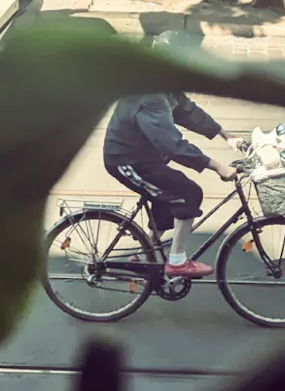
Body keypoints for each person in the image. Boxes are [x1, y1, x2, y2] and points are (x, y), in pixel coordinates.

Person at [103, 31, 240, 279]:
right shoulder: (150, 94)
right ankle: (176, 261)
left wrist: (226, 135)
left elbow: (188, 112)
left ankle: (147, 253)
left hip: (145, 158)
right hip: (127, 161)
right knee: (187, 193)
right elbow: (173, 146)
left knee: (167, 193)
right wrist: (218, 166)